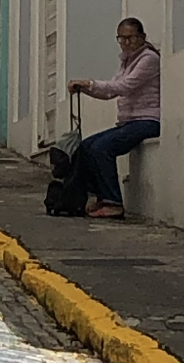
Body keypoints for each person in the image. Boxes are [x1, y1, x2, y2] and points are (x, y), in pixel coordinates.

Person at [68, 17, 161, 219]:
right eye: (122, 39)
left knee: (102, 148)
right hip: (128, 121)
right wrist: (84, 89)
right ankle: (99, 197)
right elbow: (110, 92)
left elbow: (124, 86)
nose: (126, 43)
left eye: (131, 38)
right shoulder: (126, 62)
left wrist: (90, 83)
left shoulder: (148, 59)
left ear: (142, 37)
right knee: (87, 146)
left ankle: (113, 203)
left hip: (147, 120)